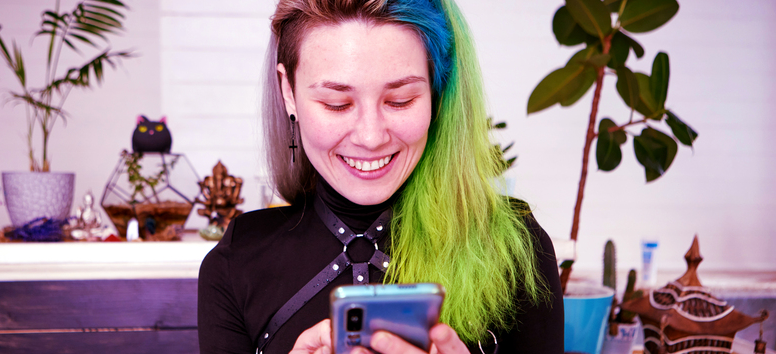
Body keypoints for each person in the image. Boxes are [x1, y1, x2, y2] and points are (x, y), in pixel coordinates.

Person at [198, 0, 563, 353]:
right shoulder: (236, 263)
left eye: (400, 100)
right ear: (288, 92)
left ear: (437, 92)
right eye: (336, 103)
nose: (371, 137)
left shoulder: (515, 246)